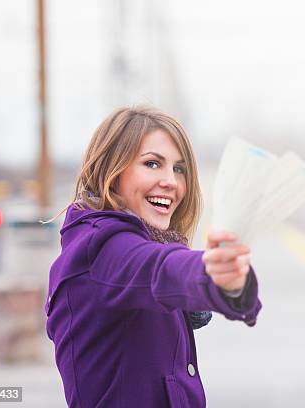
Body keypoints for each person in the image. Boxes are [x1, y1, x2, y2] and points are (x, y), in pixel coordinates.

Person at [45, 106, 262, 407]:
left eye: (179, 169)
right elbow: (159, 268)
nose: (171, 182)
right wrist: (209, 272)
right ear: (112, 170)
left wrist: (233, 282)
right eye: (152, 164)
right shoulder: (101, 251)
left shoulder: (140, 242)